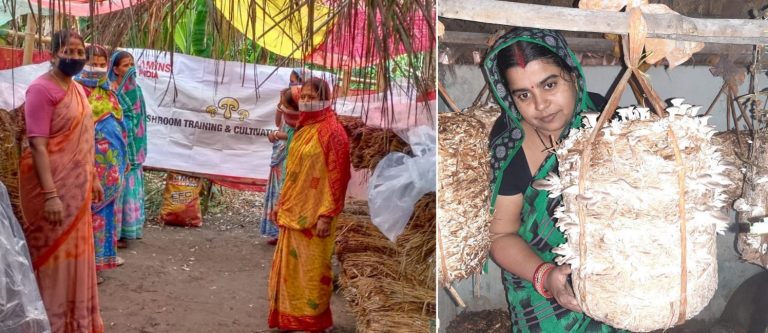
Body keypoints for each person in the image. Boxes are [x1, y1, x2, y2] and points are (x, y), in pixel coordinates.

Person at [483, 28, 619, 332]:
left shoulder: (611, 125)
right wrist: (547, 276)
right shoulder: (510, 144)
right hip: (537, 285)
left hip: (612, 281)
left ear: (572, 74)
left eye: (550, 84)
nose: (541, 105)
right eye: (523, 94)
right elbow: (501, 234)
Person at [19, 29, 105, 333]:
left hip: (77, 191)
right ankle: (50, 323)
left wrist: (92, 176)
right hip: (52, 188)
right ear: (53, 54)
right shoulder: (41, 90)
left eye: (80, 52)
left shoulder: (78, 90)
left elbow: (85, 139)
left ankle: (75, 322)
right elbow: (37, 144)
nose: (76, 57)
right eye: (69, 51)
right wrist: (51, 194)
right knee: (53, 259)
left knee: (76, 255)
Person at [268, 77, 350, 333]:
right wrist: (281, 204)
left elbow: (339, 177)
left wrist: (327, 214)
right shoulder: (303, 129)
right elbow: (293, 172)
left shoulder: (333, 132)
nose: (305, 101)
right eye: (303, 97)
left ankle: (314, 322)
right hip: (293, 212)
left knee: (313, 271)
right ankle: (290, 318)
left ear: (325, 99)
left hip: (316, 217)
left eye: (311, 97)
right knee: (291, 270)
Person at [75, 45, 128, 282]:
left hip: (112, 168)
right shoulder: (75, 92)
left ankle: (97, 265)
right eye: (91, 62)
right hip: (87, 167)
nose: (95, 67)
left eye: (100, 63)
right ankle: (83, 268)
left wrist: (124, 159)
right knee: (85, 214)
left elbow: (121, 126)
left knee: (104, 215)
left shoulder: (109, 92)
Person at [108, 51, 147, 247]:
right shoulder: (110, 91)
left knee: (130, 188)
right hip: (116, 147)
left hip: (134, 147)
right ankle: (113, 234)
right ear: (115, 69)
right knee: (118, 189)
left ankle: (127, 232)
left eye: (132, 64)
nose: (130, 68)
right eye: (125, 65)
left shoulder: (136, 90)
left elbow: (139, 121)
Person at [261, 88, 301, 245]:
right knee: (277, 192)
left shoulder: (301, 114)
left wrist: (277, 135)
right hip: (279, 154)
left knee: (284, 192)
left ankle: (284, 231)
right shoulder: (287, 109)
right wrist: (281, 104)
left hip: (288, 154)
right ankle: (277, 231)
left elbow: (295, 133)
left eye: (294, 81)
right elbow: (279, 123)